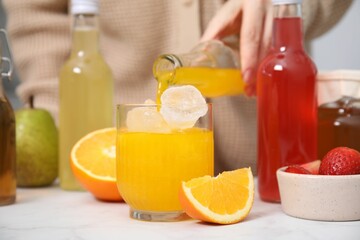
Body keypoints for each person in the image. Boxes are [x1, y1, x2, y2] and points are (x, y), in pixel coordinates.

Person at [2, 0, 353, 174]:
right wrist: (63, 124)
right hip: (115, 169)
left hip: (263, 168)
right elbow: (36, 10)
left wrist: (285, 5)